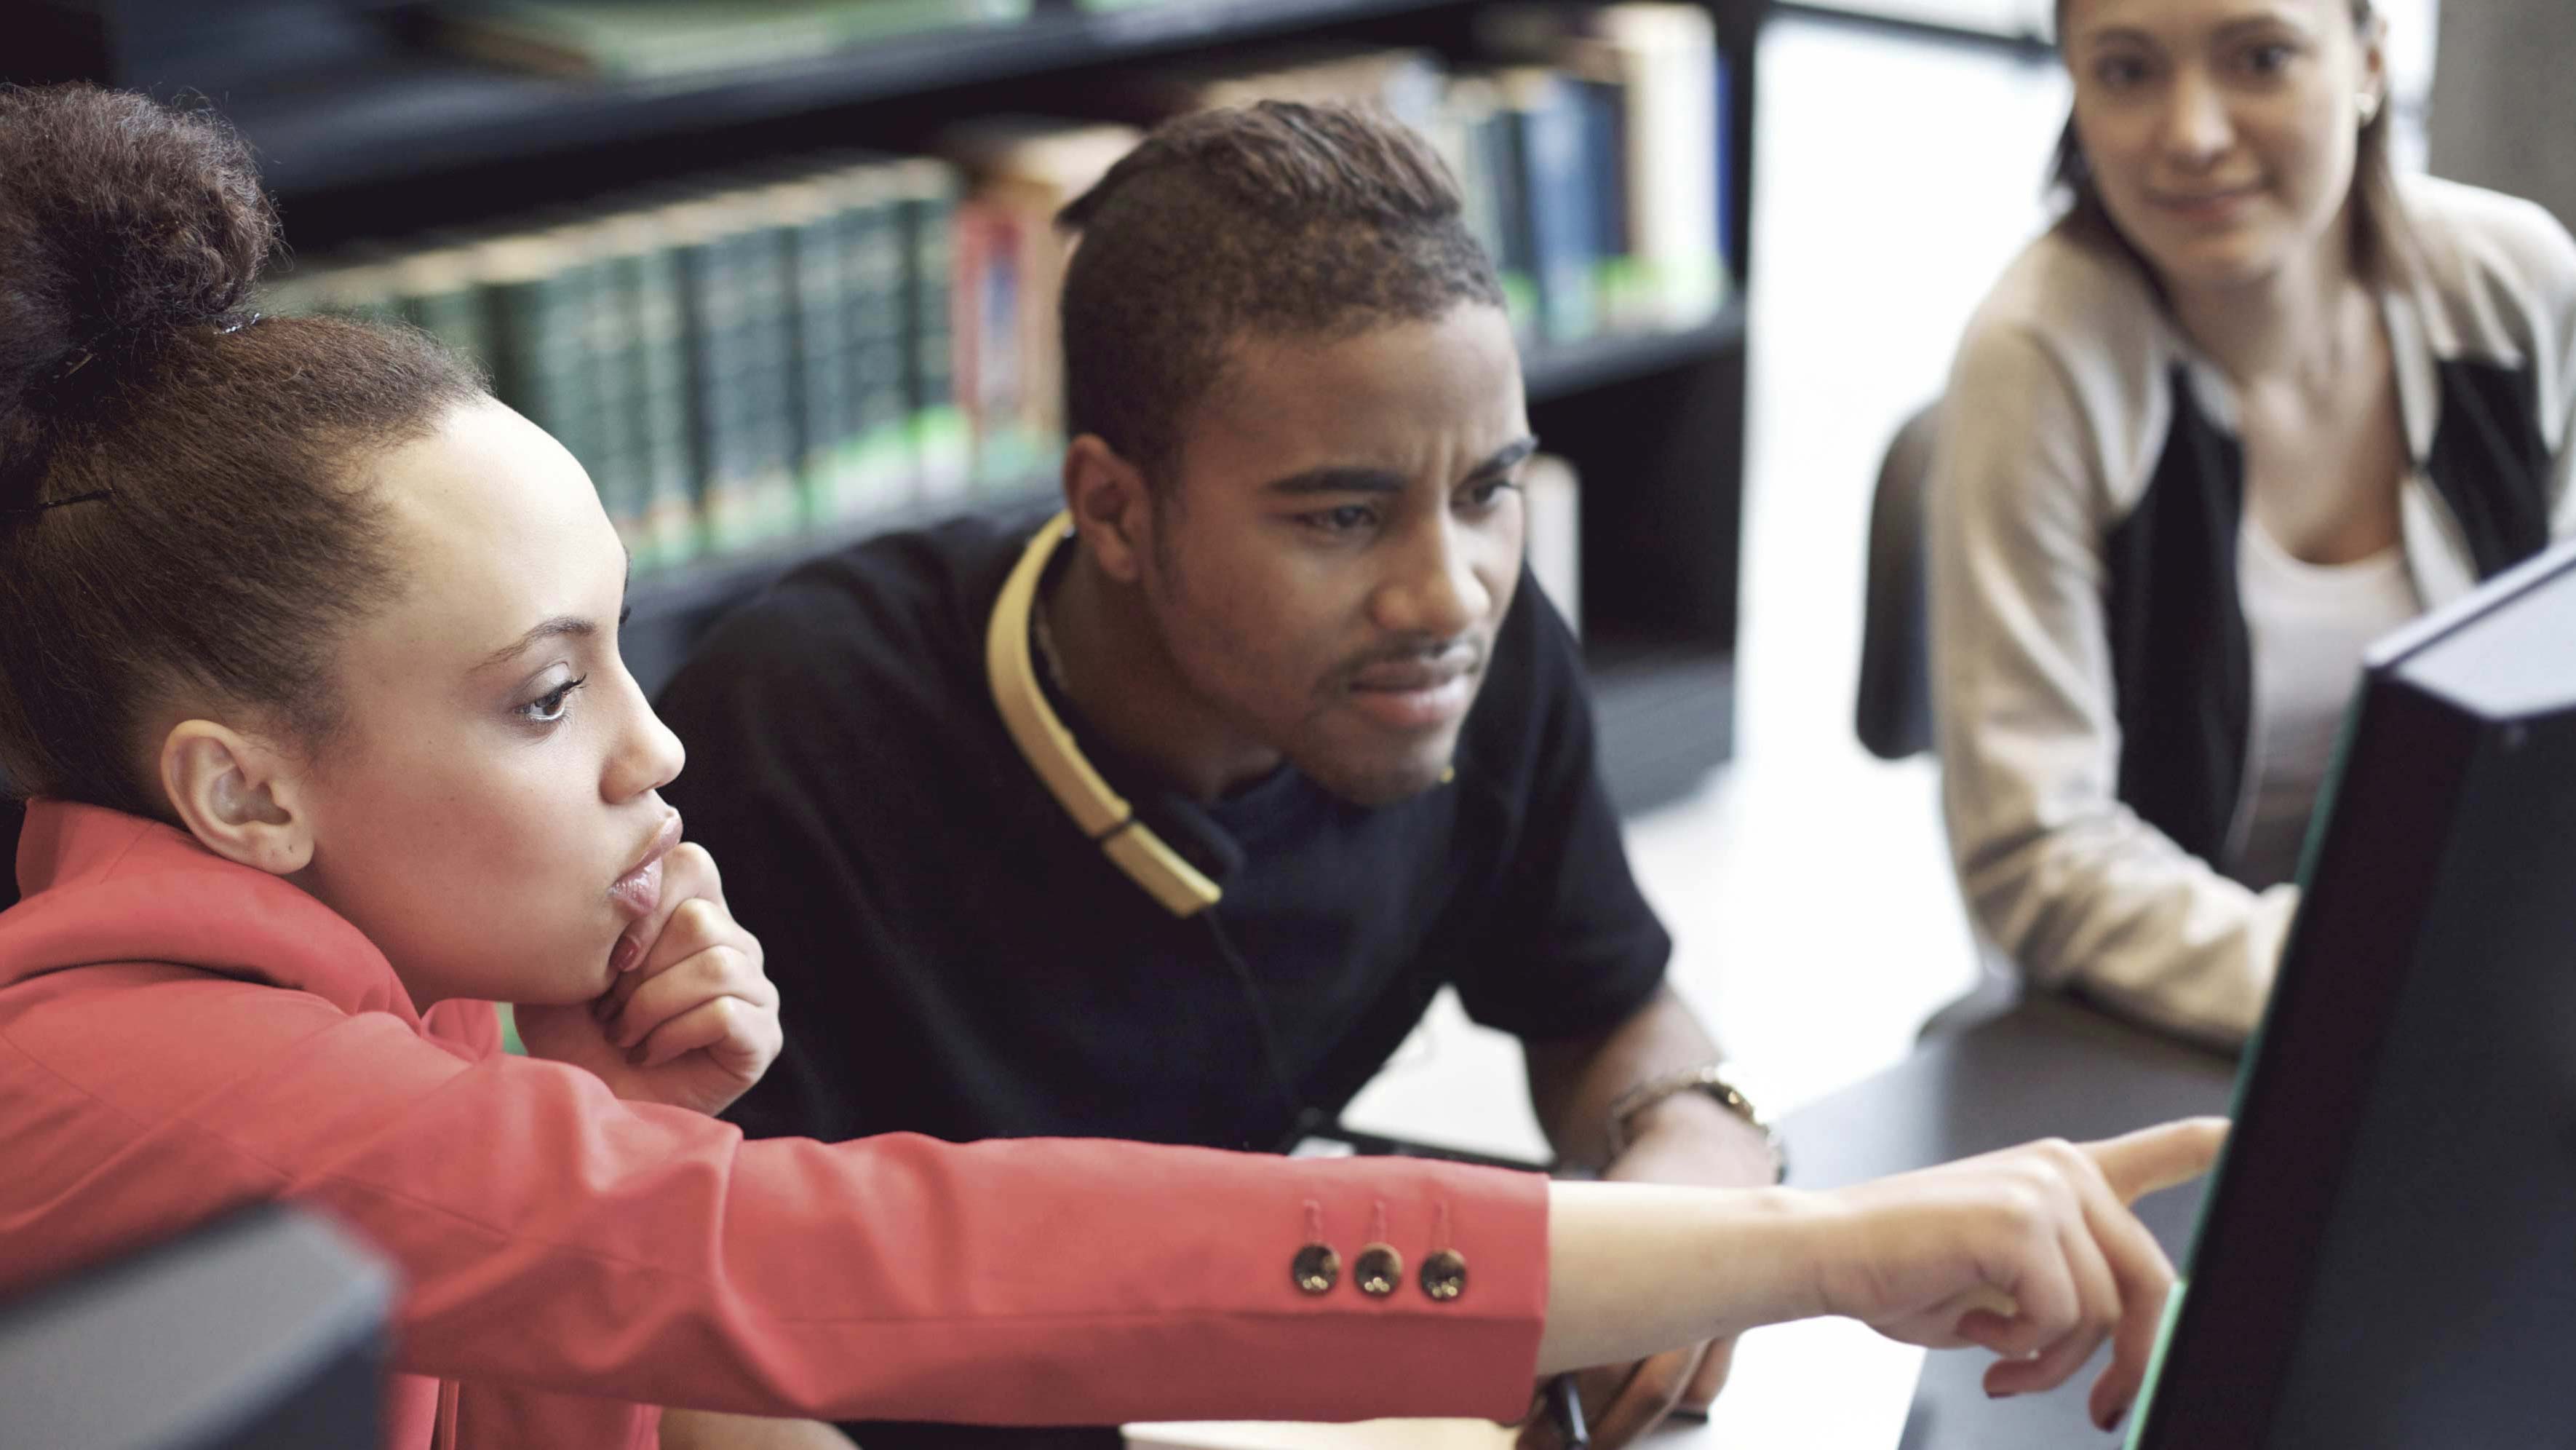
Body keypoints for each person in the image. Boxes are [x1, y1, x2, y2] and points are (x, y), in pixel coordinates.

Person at [0, 84, 2218, 1450]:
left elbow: (581, 1349)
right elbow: (884, 1262)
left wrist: (605, 1123)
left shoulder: (387, 988)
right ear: (243, 796)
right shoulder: (165, 1075)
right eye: (544, 692)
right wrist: (1815, 1254)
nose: (651, 745)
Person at [655, 102, 1760, 1450]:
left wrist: (1696, 1155)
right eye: (1344, 516)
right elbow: (689, 1333)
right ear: (1113, 508)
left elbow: (1605, 1002)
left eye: (1488, 491)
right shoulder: (792, 733)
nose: (1446, 590)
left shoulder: (1481, 657)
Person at [1930, 0, 2576, 1046]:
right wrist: (2367, 983)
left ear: (2369, 61)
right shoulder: (2040, 359)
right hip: (2162, 1029)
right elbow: (2034, 856)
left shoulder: (2514, 286)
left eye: (2261, 59)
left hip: (2483, 990)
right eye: (2128, 71)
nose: (2191, 133)